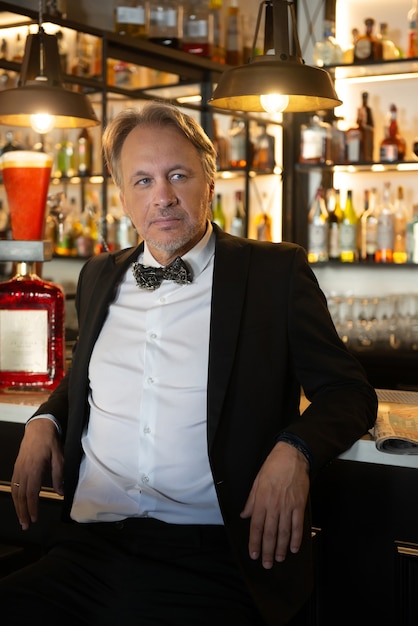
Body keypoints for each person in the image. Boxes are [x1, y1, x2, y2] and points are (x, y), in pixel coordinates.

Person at [0, 102, 377, 626]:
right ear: (122, 195)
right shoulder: (97, 275)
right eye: (143, 180)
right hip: (85, 550)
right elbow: (91, 375)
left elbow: (348, 392)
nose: (163, 196)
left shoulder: (272, 272)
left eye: (178, 174)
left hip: (208, 559)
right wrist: (47, 418)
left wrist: (296, 450)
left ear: (211, 180)